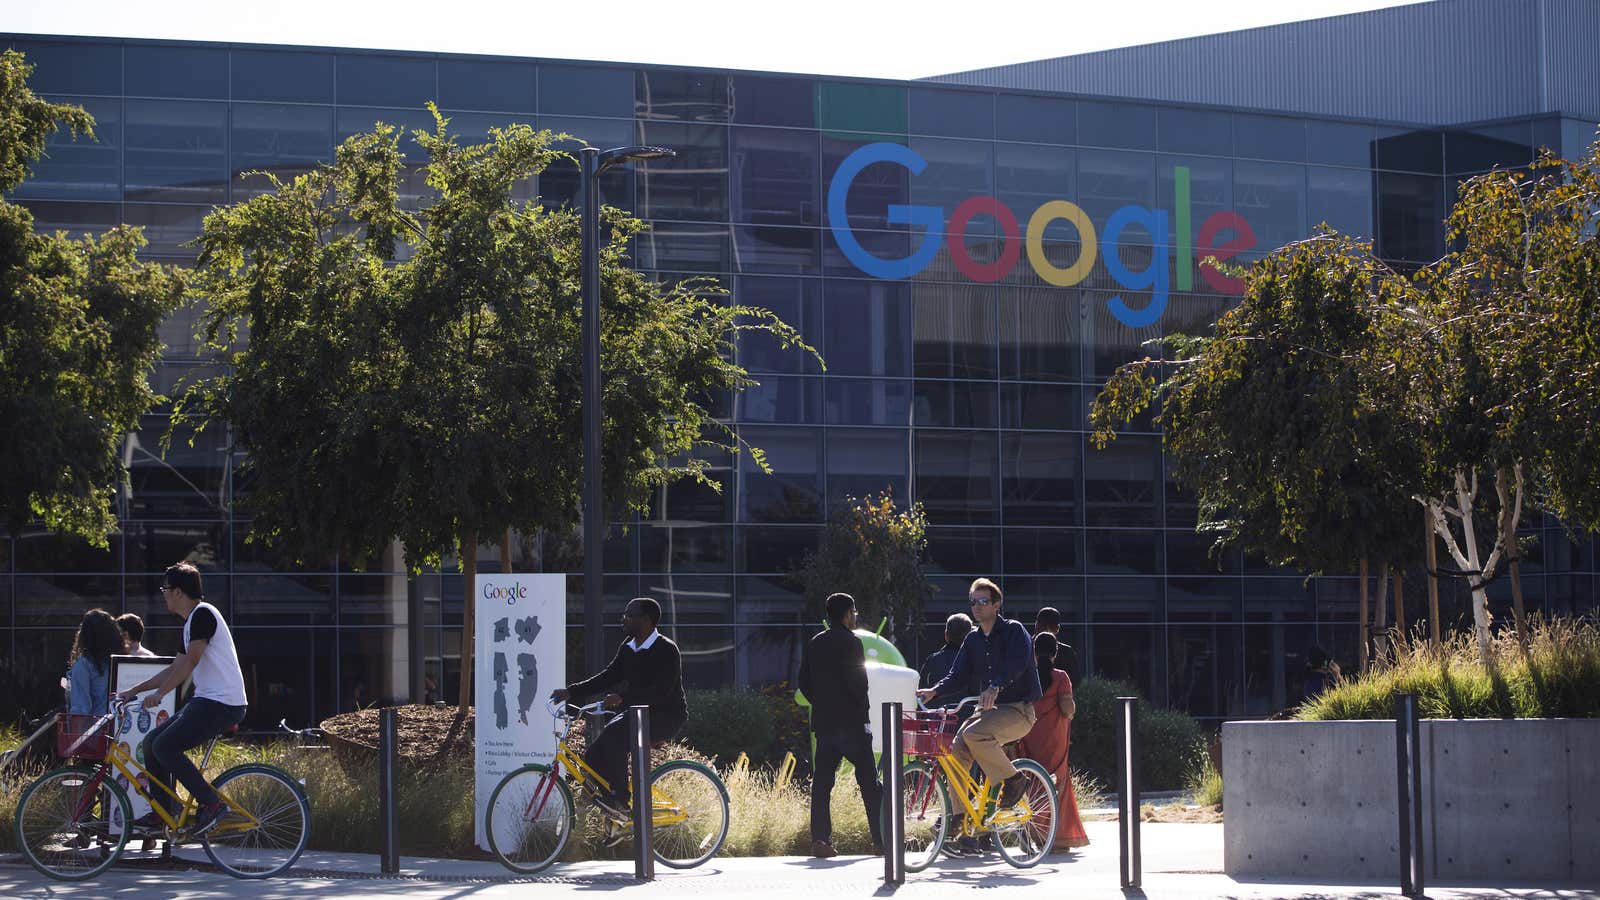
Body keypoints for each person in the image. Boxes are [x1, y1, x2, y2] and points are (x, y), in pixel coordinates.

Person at [117, 562, 247, 836]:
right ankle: (164, 812)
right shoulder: (190, 623)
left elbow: (191, 661)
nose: (163, 594)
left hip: (222, 704)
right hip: (208, 701)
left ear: (178, 591)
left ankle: (211, 804)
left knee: (165, 747)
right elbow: (173, 668)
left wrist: (161, 693)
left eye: (165, 589)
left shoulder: (203, 615)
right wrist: (135, 690)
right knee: (152, 743)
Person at [916, 578, 1041, 822]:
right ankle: (961, 821)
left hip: (1018, 711)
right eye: (973, 602)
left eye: (983, 601)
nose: (977, 606)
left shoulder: (1014, 630)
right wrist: (934, 691)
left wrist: (996, 685)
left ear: (997, 605)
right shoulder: (972, 640)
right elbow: (958, 675)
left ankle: (1015, 780)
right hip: (988, 712)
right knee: (956, 751)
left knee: (974, 735)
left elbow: (1017, 663)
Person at [551, 597, 686, 816]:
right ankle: (614, 811)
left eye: (628, 615)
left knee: (616, 738)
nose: (623, 620)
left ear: (646, 620)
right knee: (593, 756)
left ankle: (621, 801)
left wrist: (623, 697)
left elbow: (661, 691)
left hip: (666, 715)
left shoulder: (666, 649)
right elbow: (609, 676)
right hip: (635, 712)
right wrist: (571, 691)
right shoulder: (628, 647)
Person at [797, 592, 884, 859]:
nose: (855, 616)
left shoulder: (815, 642)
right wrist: (861, 712)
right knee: (870, 783)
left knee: (822, 784)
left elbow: (803, 682)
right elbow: (859, 683)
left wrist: (822, 702)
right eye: (854, 612)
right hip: (853, 724)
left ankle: (821, 840)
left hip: (824, 725)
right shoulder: (852, 642)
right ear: (847, 614)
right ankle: (882, 841)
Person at [1016, 633, 1089, 852]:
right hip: (1055, 739)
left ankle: (1033, 831)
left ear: (1033, 653)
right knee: (1057, 784)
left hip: (1029, 735)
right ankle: (1055, 838)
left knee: (1034, 783)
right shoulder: (1061, 677)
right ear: (1055, 653)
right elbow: (1067, 708)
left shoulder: (1026, 675)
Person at [65, 609, 121, 715]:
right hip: (121, 726)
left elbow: (80, 709)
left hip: (95, 728)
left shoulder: (83, 665)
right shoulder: (120, 662)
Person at [918, 612, 973, 691]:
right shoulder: (978, 660)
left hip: (936, 703)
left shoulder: (932, 661)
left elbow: (921, 690)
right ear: (970, 636)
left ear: (946, 635)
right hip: (968, 703)